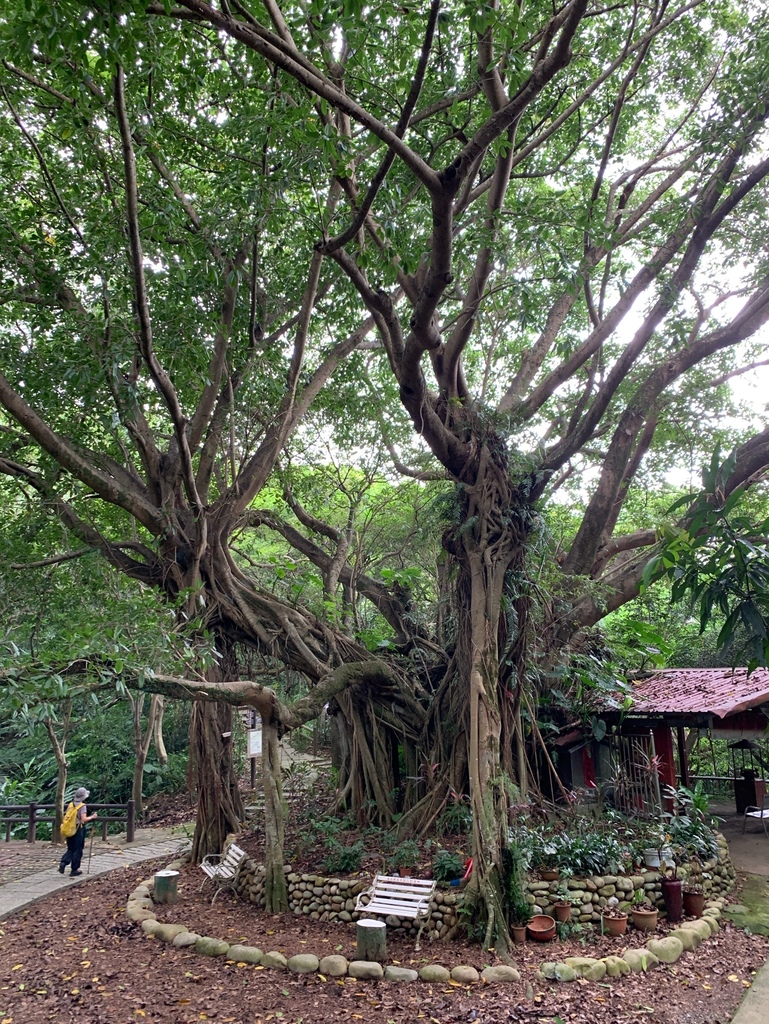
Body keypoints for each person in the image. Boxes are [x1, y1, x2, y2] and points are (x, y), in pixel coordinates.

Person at [58, 787, 98, 877]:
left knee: (71, 848)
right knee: (78, 849)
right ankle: (75, 869)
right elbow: (83, 819)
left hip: (69, 829)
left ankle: (63, 862)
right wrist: (92, 817)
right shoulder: (82, 806)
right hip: (78, 828)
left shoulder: (71, 805)